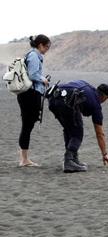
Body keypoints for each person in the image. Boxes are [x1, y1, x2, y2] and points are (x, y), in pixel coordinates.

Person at [48, 80, 108, 172]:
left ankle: (73, 159)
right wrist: (104, 154)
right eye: (107, 98)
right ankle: (69, 161)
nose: (105, 101)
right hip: (68, 101)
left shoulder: (86, 85)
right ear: (104, 96)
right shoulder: (96, 105)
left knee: (69, 129)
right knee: (77, 134)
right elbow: (100, 133)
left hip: (53, 98)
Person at [17, 34, 51, 167]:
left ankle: (23, 157)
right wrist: (44, 79)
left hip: (27, 94)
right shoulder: (34, 56)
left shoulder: (31, 54)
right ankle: (24, 160)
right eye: (47, 46)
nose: (47, 49)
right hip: (30, 94)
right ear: (40, 45)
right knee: (27, 125)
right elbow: (32, 74)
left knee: (27, 125)